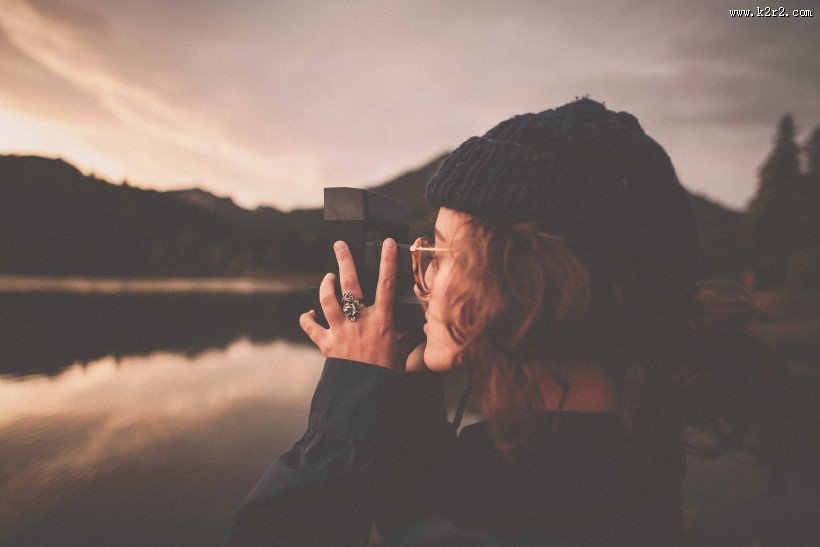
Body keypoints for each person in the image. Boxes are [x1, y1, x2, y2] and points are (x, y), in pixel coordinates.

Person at [222, 98, 699, 545]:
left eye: (442, 249)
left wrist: (341, 425)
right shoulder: (630, 454)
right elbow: (421, 510)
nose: (424, 275)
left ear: (526, 276)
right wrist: (391, 382)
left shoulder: (512, 504)